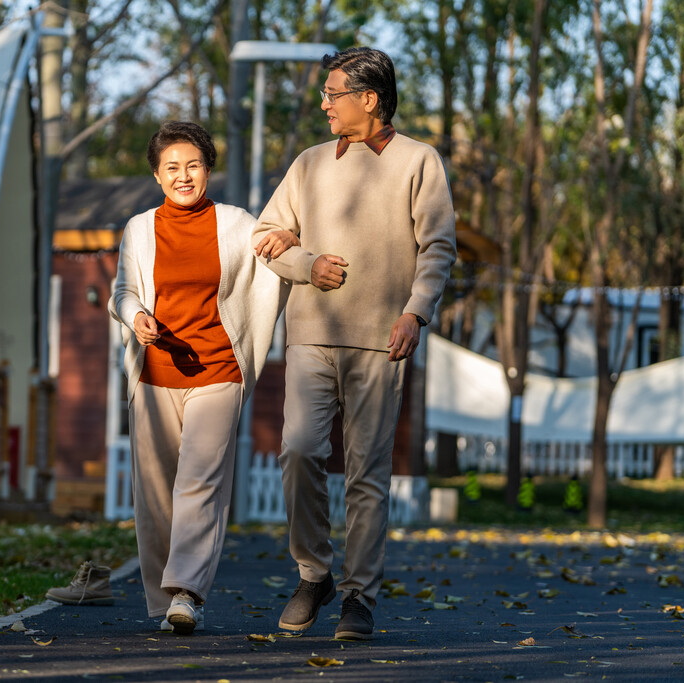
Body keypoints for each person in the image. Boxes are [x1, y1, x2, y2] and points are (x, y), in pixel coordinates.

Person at [252, 47, 457, 640]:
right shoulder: (310, 164)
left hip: (382, 340)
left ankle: (358, 596)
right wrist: (305, 263)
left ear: (369, 99)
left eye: (333, 94)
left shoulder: (420, 162)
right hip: (311, 334)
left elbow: (438, 247)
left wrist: (416, 313)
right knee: (298, 450)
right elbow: (267, 234)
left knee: (367, 473)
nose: (324, 104)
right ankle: (313, 572)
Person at [110, 121, 294, 635]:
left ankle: (186, 593)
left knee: (200, 482)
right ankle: (160, 601)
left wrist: (289, 239)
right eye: (172, 167)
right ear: (157, 174)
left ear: (208, 170)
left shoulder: (235, 223)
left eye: (193, 165)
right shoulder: (138, 229)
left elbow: (274, 251)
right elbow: (121, 291)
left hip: (218, 370)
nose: (183, 176)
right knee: (154, 494)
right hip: (153, 375)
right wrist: (135, 316)